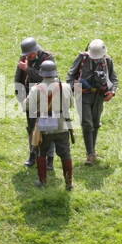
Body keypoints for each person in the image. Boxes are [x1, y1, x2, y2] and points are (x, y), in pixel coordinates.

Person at [66, 39, 118, 164]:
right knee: (87, 123)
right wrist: (78, 87)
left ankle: (92, 152)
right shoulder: (82, 59)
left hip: (99, 95)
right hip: (82, 95)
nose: (96, 59)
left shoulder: (107, 61)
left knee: (95, 123)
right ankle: (90, 154)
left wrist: (112, 92)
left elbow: (114, 79)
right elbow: (70, 78)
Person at [25, 60, 75, 189]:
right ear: (55, 73)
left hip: (44, 125)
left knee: (41, 153)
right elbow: (70, 105)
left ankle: (42, 181)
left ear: (41, 73)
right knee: (66, 154)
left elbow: (27, 107)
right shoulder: (66, 87)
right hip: (62, 125)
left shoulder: (36, 88)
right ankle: (69, 183)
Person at [14, 38, 55, 167]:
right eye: (27, 54)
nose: (29, 56)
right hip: (30, 97)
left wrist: (27, 69)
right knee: (32, 128)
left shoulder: (47, 58)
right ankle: (33, 155)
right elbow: (18, 78)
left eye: (30, 54)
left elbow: (45, 78)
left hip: (46, 97)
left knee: (47, 127)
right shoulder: (24, 58)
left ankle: (49, 159)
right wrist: (21, 97)